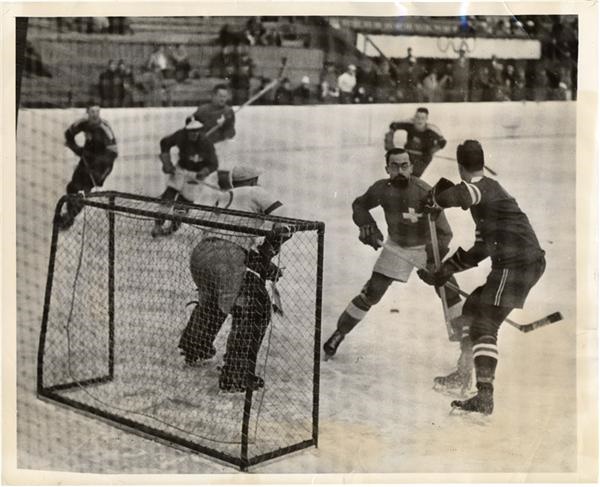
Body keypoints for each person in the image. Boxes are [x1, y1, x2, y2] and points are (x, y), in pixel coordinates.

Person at [418, 140, 546, 415]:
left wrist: (436, 199)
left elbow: (464, 194)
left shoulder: (486, 188)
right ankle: (464, 373)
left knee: (485, 324)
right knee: (473, 307)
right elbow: (479, 251)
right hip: (515, 264)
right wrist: (445, 271)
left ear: (461, 168)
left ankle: (484, 395)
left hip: (518, 264)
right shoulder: (485, 205)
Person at [322, 148, 463, 360]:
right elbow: (359, 205)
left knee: (448, 289)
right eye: (395, 166)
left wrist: (434, 260)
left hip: (426, 247)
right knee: (372, 292)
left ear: (412, 167)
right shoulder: (381, 189)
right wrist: (367, 225)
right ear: (387, 168)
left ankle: (465, 347)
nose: (400, 171)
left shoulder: (424, 191)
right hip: (396, 246)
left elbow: (445, 233)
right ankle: (340, 332)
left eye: (404, 166)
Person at [178, 166, 290, 392]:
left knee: (213, 298)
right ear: (254, 180)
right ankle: (236, 374)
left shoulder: (222, 196)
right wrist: (269, 250)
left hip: (201, 254)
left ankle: (195, 347)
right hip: (228, 255)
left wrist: (261, 261)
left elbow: (227, 241)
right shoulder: (256, 193)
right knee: (255, 306)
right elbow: (285, 224)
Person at [55, 105, 118, 230]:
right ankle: (69, 213)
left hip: (102, 166)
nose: (95, 114)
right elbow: (69, 133)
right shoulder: (83, 123)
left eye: (97, 111)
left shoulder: (104, 128)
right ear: (87, 112)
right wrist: (77, 149)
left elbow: (113, 153)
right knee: (72, 187)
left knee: (83, 191)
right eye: (92, 111)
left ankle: (69, 218)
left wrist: (96, 164)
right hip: (86, 160)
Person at [152, 119, 218, 237]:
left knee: (184, 203)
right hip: (180, 170)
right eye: (191, 131)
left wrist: (205, 171)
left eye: (197, 131)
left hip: (195, 176)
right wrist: (167, 162)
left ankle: (172, 228)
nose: (194, 134)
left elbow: (214, 164)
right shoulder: (180, 135)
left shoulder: (207, 143)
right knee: (168, 195)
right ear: (186, 130)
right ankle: (158, 224)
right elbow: (164, 143)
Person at [384, 107, 447, 177]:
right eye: (417, 117)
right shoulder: (410, 124)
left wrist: (431, 151)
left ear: (426, 119)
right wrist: (389, 144)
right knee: (401, 175)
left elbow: (442, 142)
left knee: (414, 178)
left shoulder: (432, 129)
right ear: (414, 117)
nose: (419, 120)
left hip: (423, 157)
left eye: (422, 118)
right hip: (408, 154)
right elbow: (393, 126)